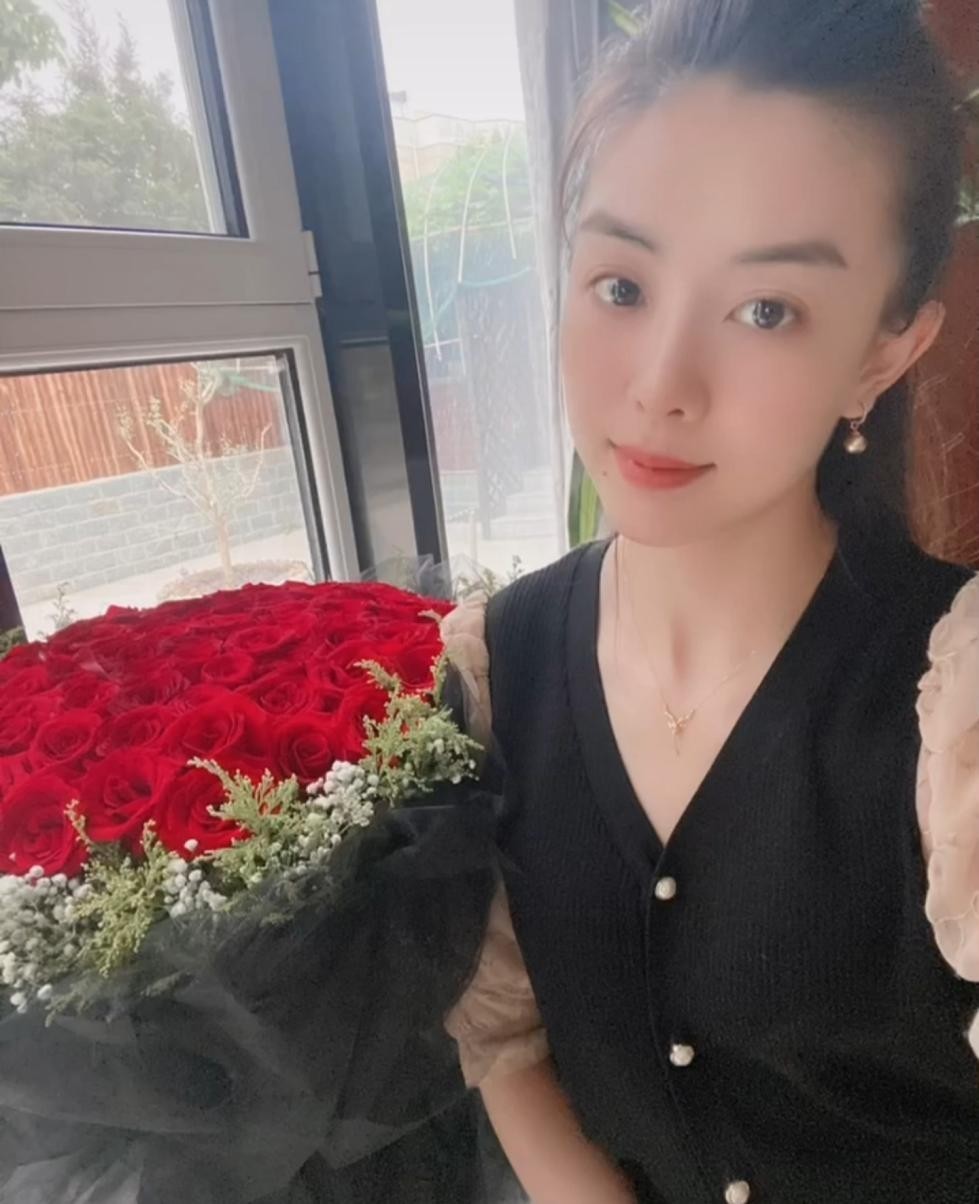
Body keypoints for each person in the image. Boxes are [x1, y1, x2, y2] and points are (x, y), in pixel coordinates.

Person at [441, 1, 979, 1201]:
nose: (659, 385)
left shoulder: (955, 711)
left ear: (882, 355)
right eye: (619, 284)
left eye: (765, 309)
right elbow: (505, 1035)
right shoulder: (496, 665)